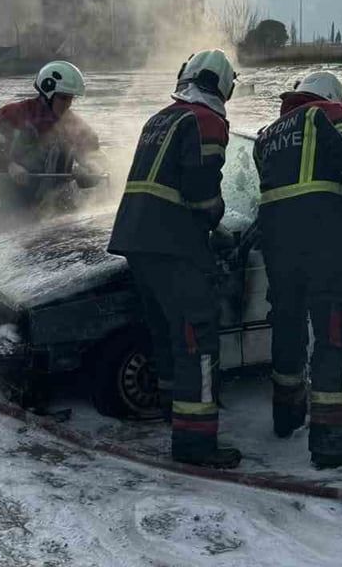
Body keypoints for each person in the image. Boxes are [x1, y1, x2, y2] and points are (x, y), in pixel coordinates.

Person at [107, 49, 240, 469]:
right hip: (174, 247)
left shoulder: (161, 117)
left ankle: (172, 414)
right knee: (197, 341)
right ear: (222, 86)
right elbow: (201, 193)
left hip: (137, 241)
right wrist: (216, 218)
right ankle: (196, 444)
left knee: (167, 334)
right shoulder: (206, 121)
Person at [253, 71, 342, 469]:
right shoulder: (328, 113)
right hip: (324, 241)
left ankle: (286, 416)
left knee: (288, 326)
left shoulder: (267, 134)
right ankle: (332, 443)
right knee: (338, 334)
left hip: (277, 244)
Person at [0, 61, 103, 230]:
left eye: (71, 98)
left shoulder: (75, 126)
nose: (68, 104)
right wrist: (9, 166)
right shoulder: (14, 115)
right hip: (14, 206)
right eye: (63, 97)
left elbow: (95, 156)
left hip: (59, 208)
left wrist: (91, 171)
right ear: (48, 92)